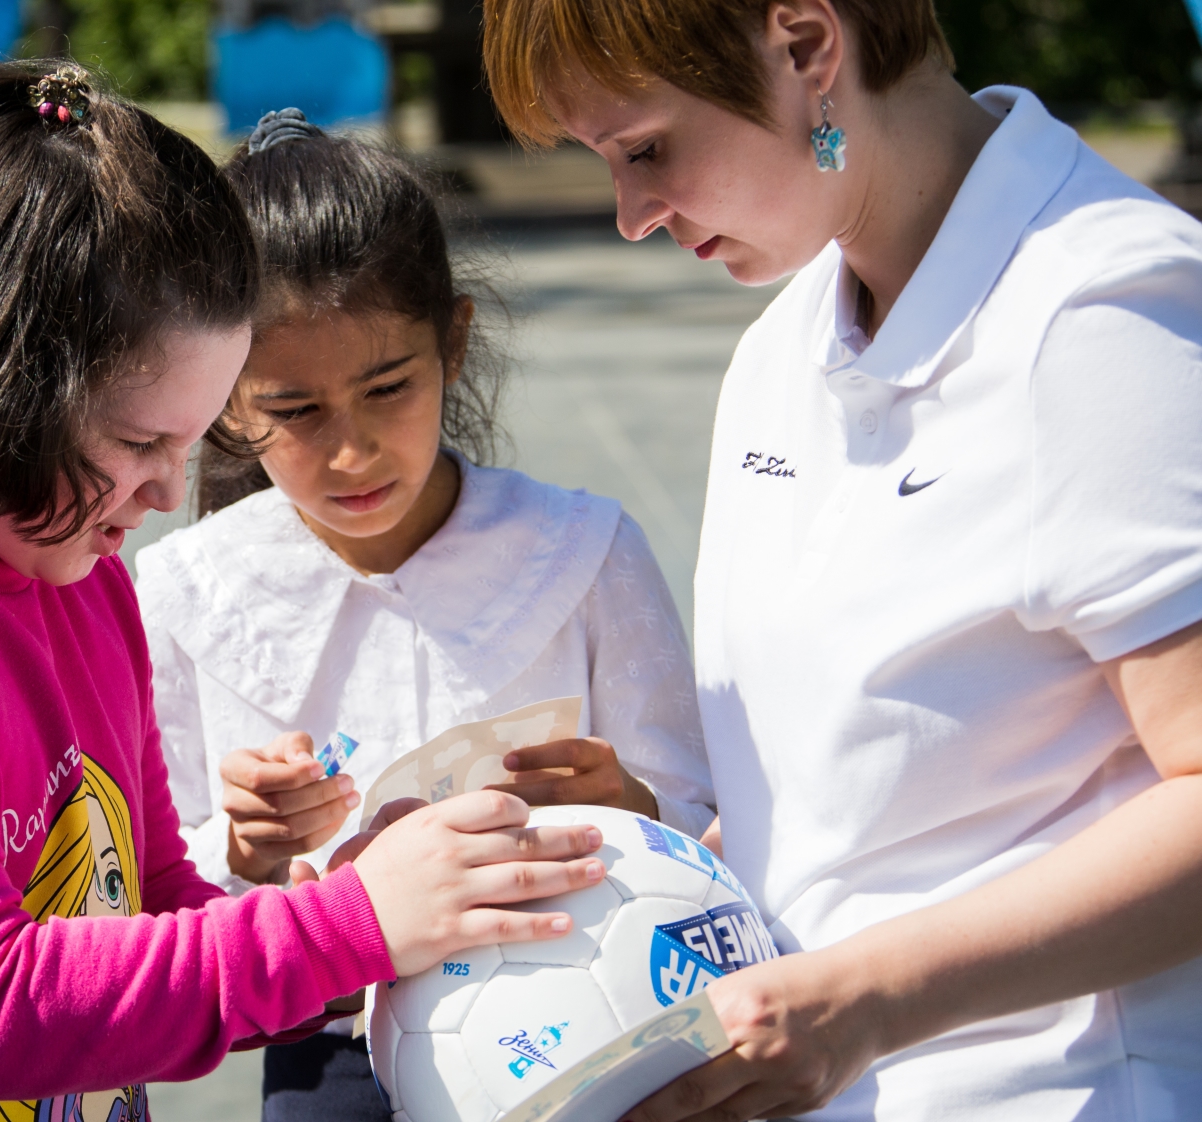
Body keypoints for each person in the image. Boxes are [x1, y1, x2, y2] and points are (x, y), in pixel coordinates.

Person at [0, 62, 610, 1122]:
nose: (167, 492)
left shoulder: (75, 570)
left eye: (192, 441)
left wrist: (346, 907)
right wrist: (351, 926)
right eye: (139, 441)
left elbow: (143, 897)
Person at [480, 1, 1202, 1120]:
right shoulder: (786, 342)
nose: (631, 214)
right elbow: (855, 804)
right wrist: (638, 853)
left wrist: (868, 998)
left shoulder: (1101, 311)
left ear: (809, 47)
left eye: (646, 149)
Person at [133, 111, 715, 1121]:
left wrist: (636, 805)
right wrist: (249, 846)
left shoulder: (583, 551)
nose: (351, 453)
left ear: (452, 341)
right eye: (294, 410)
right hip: (330, 1049)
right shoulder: (185, 590)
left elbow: (704, 811)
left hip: (586, 1013)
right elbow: (152, 877)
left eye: (387, 387)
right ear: (222, 399)